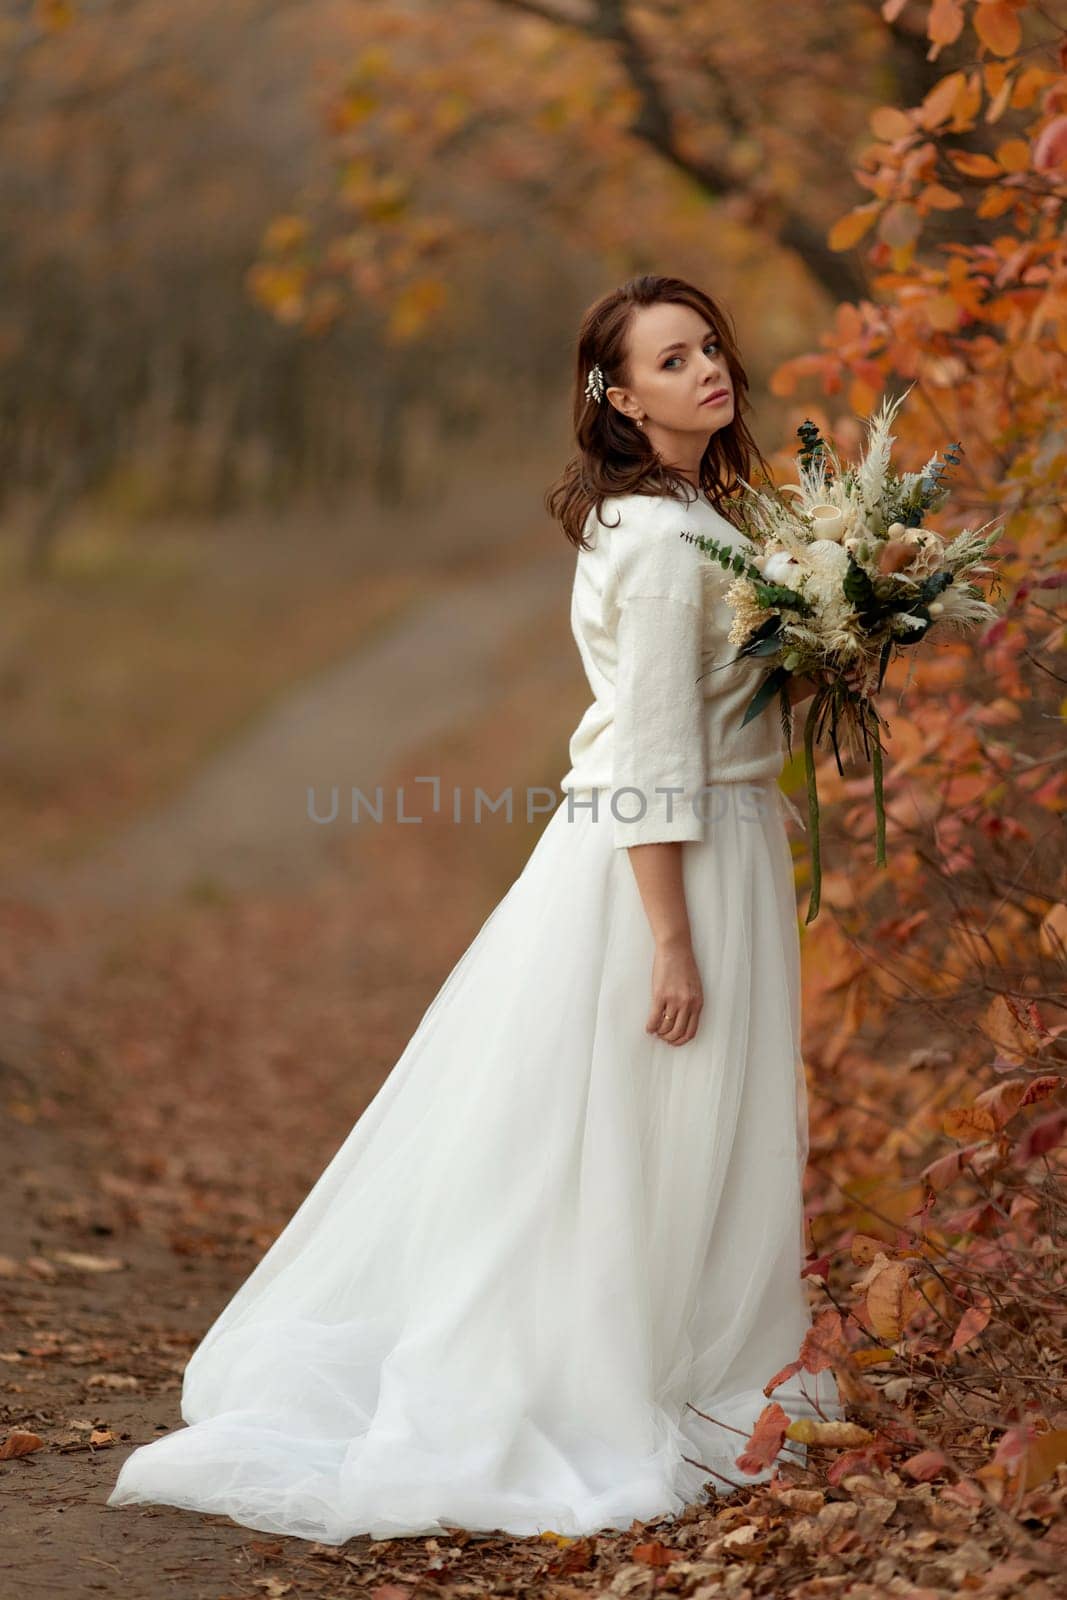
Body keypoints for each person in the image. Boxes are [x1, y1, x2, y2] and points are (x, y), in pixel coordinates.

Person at [105, 272, 842, 1545]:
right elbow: (653, 750)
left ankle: (673, 1353)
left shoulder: (680, 514)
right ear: (617, 396)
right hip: (666, 861)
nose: (707, 369)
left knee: (647, 1126)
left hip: (691, 842)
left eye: (709, 346)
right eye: (671, 360)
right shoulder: (667, 543)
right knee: (651, 1121)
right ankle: (616, 1370)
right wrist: (670, 936)